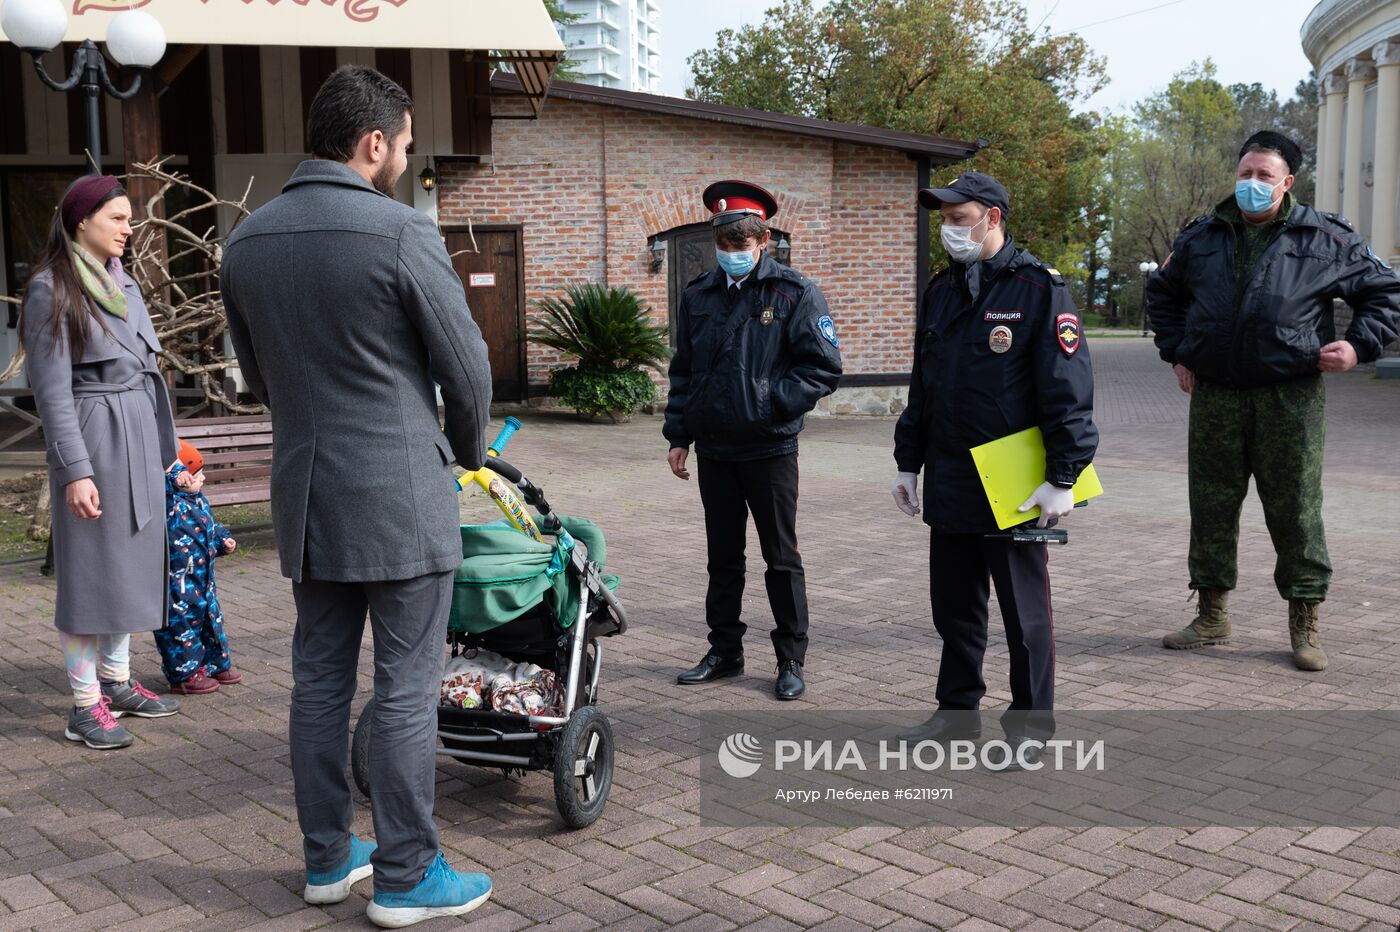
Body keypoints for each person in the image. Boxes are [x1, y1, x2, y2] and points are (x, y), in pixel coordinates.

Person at [221, 66, 493, 927]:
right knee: (408, 690)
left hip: (306, 495)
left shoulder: (248, 242)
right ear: (374, 142)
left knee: (318, 683)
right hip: (402, 495)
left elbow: (259, 379)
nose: (406, 161)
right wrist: (468, 452)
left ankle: (328, 859)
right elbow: (469, 370)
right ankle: (410, 878)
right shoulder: (401, 232)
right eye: (405, 147)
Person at [1147, 130, 1400, 672]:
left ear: (1287, 183)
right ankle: (1212, 614)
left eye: (1265, 176)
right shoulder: (1201, 237)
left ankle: (1304, 621)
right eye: (1245, 174)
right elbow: (1163, 295)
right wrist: (1178, 352)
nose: (1252, 184)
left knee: (1295, 511)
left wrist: (1357, 347)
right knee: (1211, 505)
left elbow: (1385, 293)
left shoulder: (1327, 239)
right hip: (1215, 394)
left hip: (1290, 395)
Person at [891, 171, 1096, 762]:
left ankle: (1030, 730)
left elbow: (1067, 390)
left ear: (993, 218)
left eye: (959, 218)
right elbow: (923, 385)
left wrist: (1065, 475)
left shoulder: (1039, 289)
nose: (949, 228)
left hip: (1015, 480)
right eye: (945, 219)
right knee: (954, 610)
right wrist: (909, 463)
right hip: (952, 473)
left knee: (1024, 615)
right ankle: (956, 715)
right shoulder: (941, 290)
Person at [663, 180, 842, 700]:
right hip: (716, 450)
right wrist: (679, 434)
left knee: (780, 558)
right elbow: (685, 371)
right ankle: (725, 651)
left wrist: (769, 404)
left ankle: (791, 657)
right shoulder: (698, 294)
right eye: (725, 244)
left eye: (742, 245)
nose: (733, 254)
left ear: (763, 242)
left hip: (769, 450)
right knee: (723, 558)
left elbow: (823, 367)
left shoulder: (794, 292)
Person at [22, 175, 183, 751]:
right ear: (80, 221)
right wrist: (75, 470)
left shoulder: (125, 284)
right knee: (93, 574)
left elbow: (144, 368)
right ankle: (84, 706)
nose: (128, 227)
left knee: (131, 565)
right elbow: (52, 391)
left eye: (128, 217)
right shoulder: (51, 288)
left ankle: (116, 681)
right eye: (116, 217)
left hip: (137, 436)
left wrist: (168, 454)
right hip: (95, 439)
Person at [155, 440, 240, 695]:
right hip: (177, 584)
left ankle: (216, 664)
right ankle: (184, 674)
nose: (202, 478)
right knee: (181, 627)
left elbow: (210, 527)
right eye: (196, 474)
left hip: (203, 579)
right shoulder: (168, 505)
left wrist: (222, 540)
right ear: (179, 479)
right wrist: (170, 473)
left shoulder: (198, 501)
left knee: (211, 622)